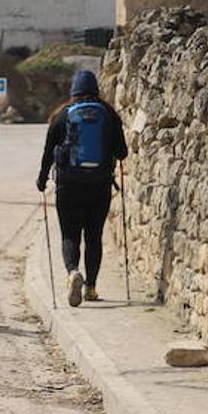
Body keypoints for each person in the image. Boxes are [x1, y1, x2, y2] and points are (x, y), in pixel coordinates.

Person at [36, 70, 127, 307]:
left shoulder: (62, 116)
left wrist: (42, 179)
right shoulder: (108, 114)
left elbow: (48, 153)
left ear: (73, 92)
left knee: (70, 235)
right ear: (96, 90)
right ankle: (92, 288)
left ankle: (72, 272)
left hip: (68, 184)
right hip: (99, 184)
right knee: (94, 236)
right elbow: (123, 152)